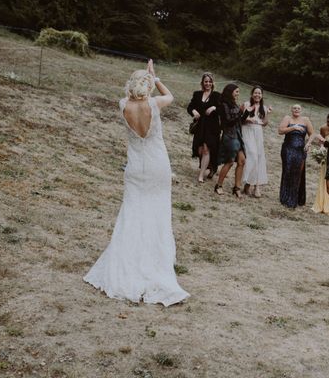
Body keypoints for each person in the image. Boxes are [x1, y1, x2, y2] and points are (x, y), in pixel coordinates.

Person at [84, 60, 189, 306]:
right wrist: (157, 77)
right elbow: (171, 96)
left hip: (135, 167)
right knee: (158, 210)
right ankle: (155, 260)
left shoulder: (123, 105)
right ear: (148, 85)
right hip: (157, 165)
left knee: (132, 210)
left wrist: (147, 77)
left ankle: (129, 258)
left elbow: (132, 98)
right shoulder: (155, 103)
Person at [278, 104, 316, 208]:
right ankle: (285, 198)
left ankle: (295, 198)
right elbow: (280, 131)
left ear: (301, 110)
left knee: (298, 173)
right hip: (288, 149)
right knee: (287, 172)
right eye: (294, 108)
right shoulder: (287, 118)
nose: (296, 110)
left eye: (298, 108)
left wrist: (308, 143)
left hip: (300, 150)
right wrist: (293, 128)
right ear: (291, 110)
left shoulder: (305, 120)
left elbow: (312, 134)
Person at [215, 83, 248, 197]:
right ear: (230, 92)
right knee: (229, 161)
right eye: (237, 91)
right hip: (229, 136)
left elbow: (240, 121)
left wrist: (246, 112)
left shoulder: (235, 104)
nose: (238, 94)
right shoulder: (224, 105)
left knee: (242, 161)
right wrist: (240, 111)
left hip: (238, 135)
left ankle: (237, 187)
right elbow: (228, 121)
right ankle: (218, 185)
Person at [187, 72, 221, 183]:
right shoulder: (197, 94)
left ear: (212, 83)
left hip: (212, 127)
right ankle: (211, 167)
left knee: (206, 149)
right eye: (206, 81)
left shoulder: (216, 95)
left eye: (210, 81)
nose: (208, 83)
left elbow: (222, 109)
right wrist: (193, 111)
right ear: (202, 82)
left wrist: (214, 107)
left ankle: (201, 175)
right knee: (200, 150)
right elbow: (190, 107)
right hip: (200, 126)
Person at [241, 86, 271, 198]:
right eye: (255, 93)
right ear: (252, 94)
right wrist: (249, 119)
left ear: (262, 95)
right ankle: (247, 183)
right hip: (248, 131)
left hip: (258, 133)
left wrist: (268, 113)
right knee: (252, 155)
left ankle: (254, 186)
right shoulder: (246, 104)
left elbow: (264, 123)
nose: (257, 95)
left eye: (259, 93)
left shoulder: (264, 107)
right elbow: (241, 119)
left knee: (259, 157)